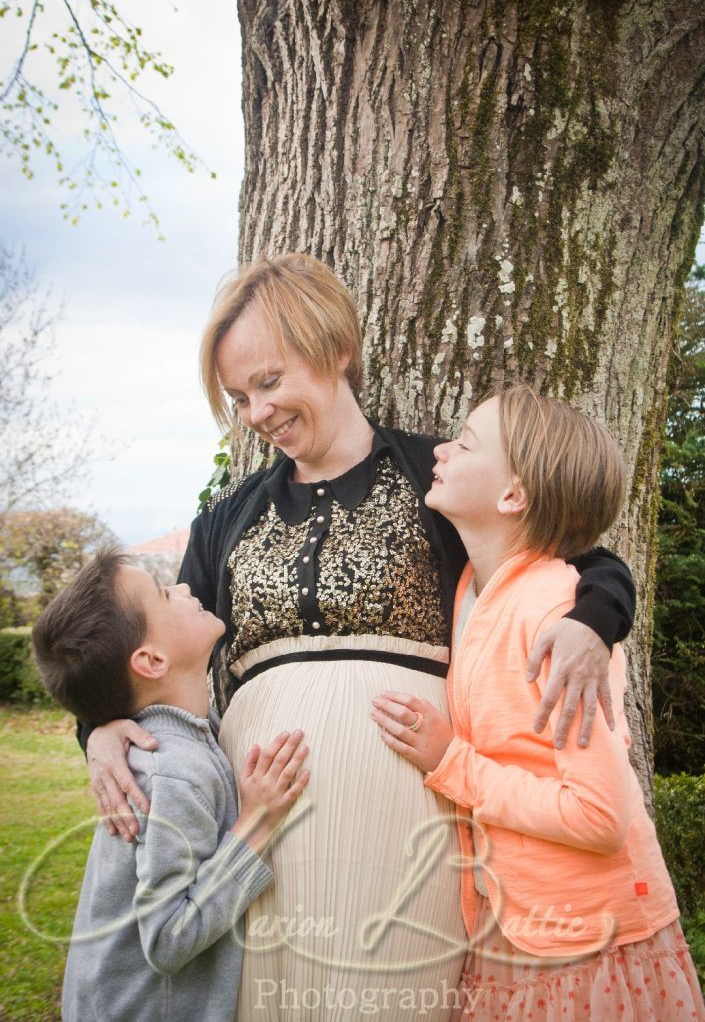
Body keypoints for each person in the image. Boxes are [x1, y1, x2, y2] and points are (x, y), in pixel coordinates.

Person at [83, 254, 636, 1021]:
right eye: (240, 397)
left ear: (335, 349)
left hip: (413, 832)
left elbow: (586, 553)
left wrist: (591, 623)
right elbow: (151, 651)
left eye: (269, 382)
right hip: (263, 837)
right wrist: (102, 725)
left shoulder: (437, 476)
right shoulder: (225, 520)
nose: (256, 413)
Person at [371, 386, 705, 1021]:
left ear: (513, 496)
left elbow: (600, 816)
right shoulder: (477, 586)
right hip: (517, 923)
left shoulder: (556, 614)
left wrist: (453, 762)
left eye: (465, 442)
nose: (440, 449)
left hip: (587, 940)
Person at [32, 548, 310, 1022]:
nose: (185, 587)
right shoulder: (171, 769)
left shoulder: (192, 740)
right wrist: (256, 823)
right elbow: (168, 937)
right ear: (152, 660)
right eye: (166, 593)